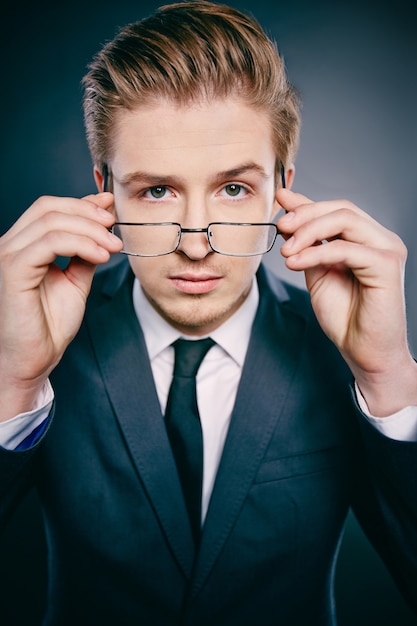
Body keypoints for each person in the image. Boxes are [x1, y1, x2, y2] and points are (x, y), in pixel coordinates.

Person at [0, 1, 416, 624]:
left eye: (232, 189)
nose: (195, 240)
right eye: (157, 191)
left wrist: (388, 377)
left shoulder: (344, 356)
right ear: (104, 194)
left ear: (283, 189)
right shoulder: (45, 347)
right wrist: (12, 381)